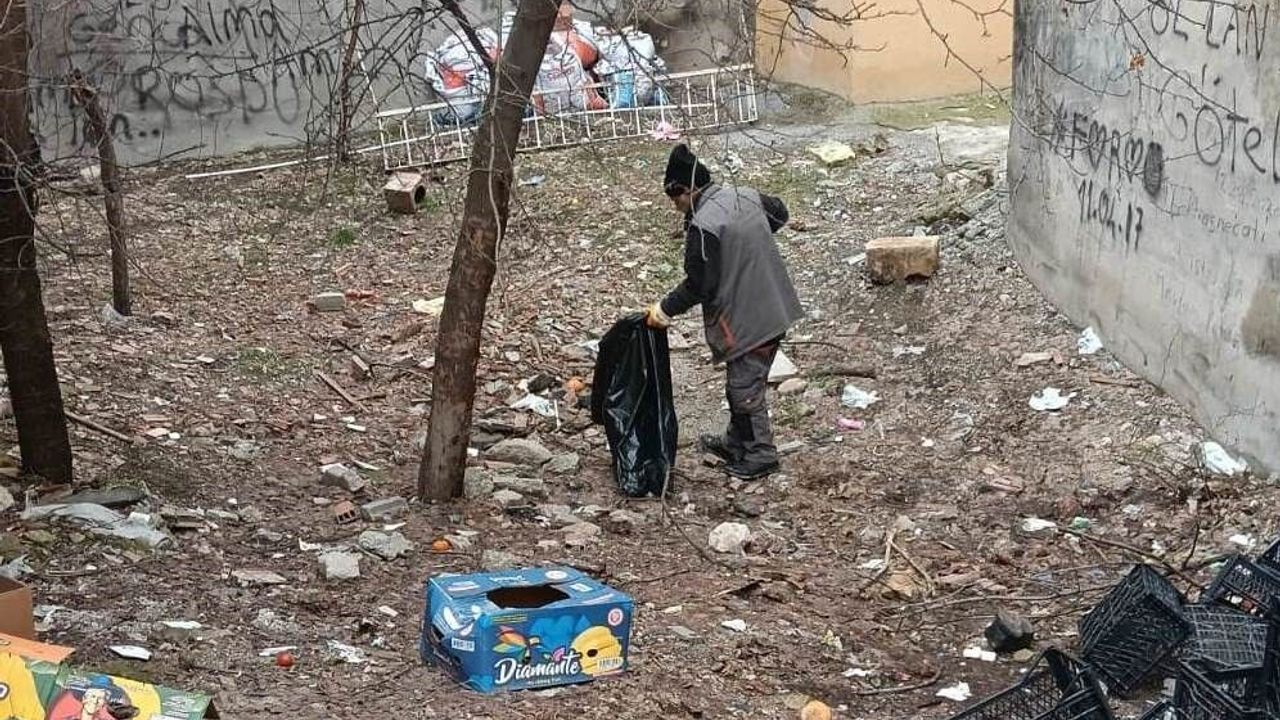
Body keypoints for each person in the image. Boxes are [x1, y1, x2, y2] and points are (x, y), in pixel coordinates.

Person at [645, 144, 802, 480]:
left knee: (744, 389)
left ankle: (761, 454)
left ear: (689, 189)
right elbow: (781, 213)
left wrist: (664, 310)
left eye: (676, 197)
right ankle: (735, 440)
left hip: (749, 319)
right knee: (741, 382)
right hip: (776, 304)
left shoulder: (704, 226)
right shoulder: (746, 196)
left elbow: (699, 285)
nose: (675, 205)